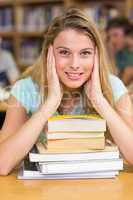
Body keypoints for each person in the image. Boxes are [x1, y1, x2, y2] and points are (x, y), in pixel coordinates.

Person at [0, 8, 132, 175]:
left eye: (85, 53)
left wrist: (100, 101)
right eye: (64, 52)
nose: (74, 64)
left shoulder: (114, 87)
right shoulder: (26, 89)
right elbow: (2, 164)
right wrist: (49, 104)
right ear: (49, 52)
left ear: (96, 56)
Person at [106, 17, 133, 84]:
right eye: (109, 37)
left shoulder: (130, 52)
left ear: (127, 35)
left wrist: (111, 55)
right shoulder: (121, 52)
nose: (112, 40)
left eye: (115, 35)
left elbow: (120, 86)